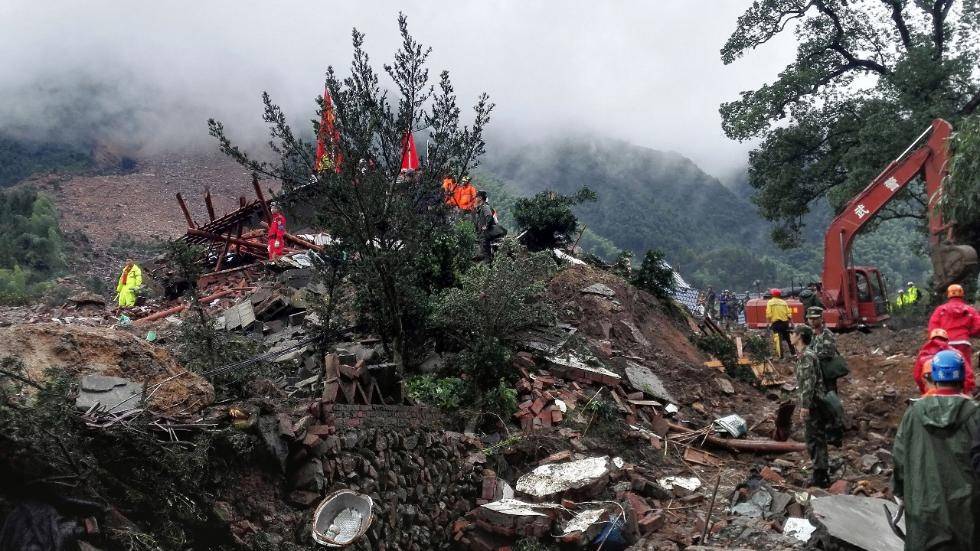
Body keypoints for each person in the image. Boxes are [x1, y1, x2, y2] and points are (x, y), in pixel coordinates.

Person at [892, 349, 980, 550]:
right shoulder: (974, 414)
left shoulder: (913, 413)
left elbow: (900, 458)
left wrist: (900, 491)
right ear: (962, 377)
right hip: (966, 510)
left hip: (924, 507)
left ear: (934, 377)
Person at [791, 324, 831, 488]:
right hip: (814, 403)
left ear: (800, 336)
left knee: (813, 438)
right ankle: (821, 473)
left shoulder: (807, 356)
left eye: (793, 333)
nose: (790, 335)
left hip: (814, 404)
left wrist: (805, 407)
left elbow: (808, 383)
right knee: (816, 438)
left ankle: (819, 476)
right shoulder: (804, 355)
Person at [927, 283, 980, 390]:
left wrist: (937, 340)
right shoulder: (970, 310)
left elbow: (933, 328)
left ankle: (944, 390)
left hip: (945, 344)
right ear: (962, 294)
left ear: (948, 295)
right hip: (963, 344)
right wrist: (969, 333)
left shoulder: (941, 310)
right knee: (965, 368)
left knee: (944, 367)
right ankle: (965, 392)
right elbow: (978, 327)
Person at [912, 328, 957, 395]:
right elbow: (966, 373)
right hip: (952, 392)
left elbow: (917, 376)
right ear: (947, 340)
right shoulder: (954, 353)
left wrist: (924, 390)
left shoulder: (922, 354)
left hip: (930, 392)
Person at [767, 288, 795, 358]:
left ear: (772, 294)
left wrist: (768, 323)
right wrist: (792, 322)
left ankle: (780, 356)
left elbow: (768, 314)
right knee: (788, 339)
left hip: (776, 323)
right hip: (785, 323)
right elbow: (789, 313)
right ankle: (793, 353)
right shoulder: (784, 302)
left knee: (777, 340)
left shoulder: (770, 302)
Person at [472, 191, 496, 260]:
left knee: (485, 254)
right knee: (484, 253)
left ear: (480, 198)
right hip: (481, 235)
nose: (475, 199)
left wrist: (486, 226)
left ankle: (487, 268)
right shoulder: (480, 208)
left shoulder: (485, 207)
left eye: (476, 197)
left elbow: (489, 216)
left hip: (484, 235)